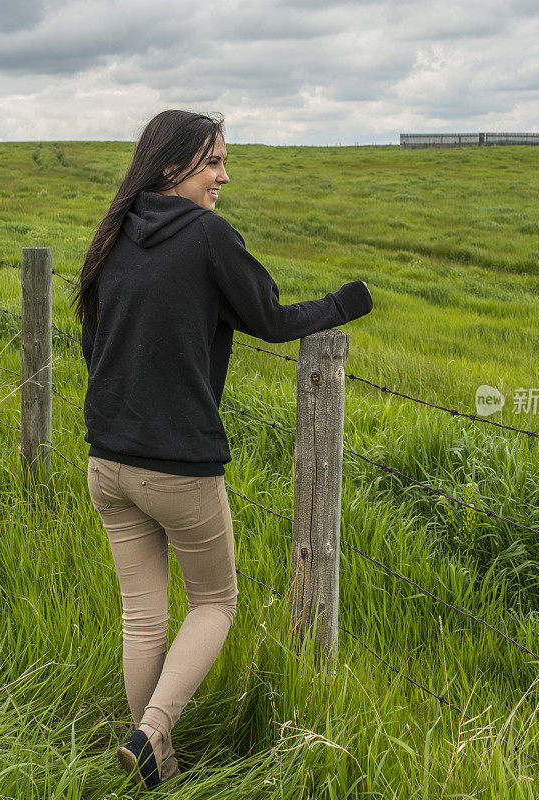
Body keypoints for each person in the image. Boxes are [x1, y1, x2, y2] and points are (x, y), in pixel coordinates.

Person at [71, 109, 373, 791]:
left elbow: (93, 344)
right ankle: (152, 732)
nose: (224, 176)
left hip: (107, 463)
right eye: (213, 162)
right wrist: (347, 302)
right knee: (217, 603)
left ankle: (157, 765)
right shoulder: (207, 237)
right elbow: (269, 319)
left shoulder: (112, 233)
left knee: (142, 616)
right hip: (177, 466)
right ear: (172, 165)